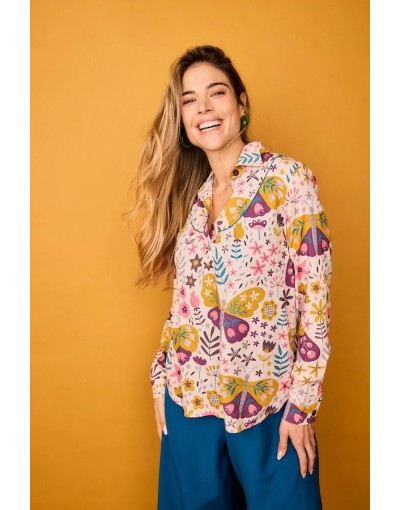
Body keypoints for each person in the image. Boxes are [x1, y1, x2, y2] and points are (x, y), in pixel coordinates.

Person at [129, 45, 332, 510]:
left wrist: (302, 405)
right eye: (189, 100)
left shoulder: (288, 180)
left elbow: (315, 301)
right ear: (182, 120)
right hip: (190, 402)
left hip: (268, 402)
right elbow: (184, 306)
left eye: (216, 93)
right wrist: (161, 379)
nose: (203, 107)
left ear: (241, 104)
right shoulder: (191, 202)